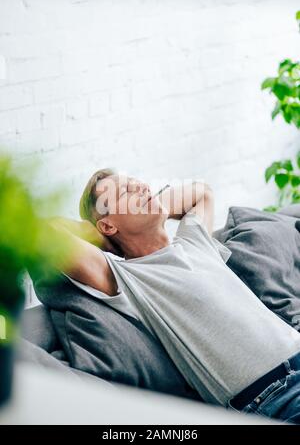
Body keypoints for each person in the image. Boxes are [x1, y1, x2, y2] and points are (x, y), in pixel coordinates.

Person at [50, 168, 300, 424]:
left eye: (138, 182)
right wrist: (100, 236)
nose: (140, 187)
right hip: (274, 396)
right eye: (123, 192)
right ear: (107, 225)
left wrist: (148, 204)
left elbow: (202, 193)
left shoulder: (194, 240)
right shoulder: (126, 277)